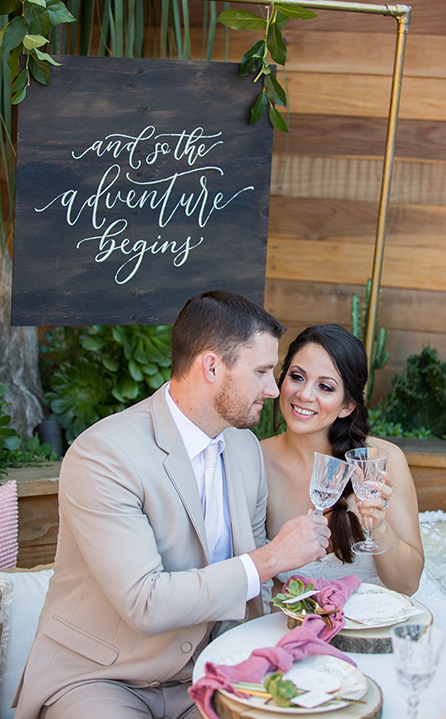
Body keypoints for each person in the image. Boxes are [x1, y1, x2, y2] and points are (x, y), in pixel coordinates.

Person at [13, 291, 330, 719]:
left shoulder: (245, 450)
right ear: (212, 366)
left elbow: (252, 577)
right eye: (261, 371)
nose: (274, 390)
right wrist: (271, 558)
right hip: (101, 677)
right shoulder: (105, 454)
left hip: (205, 672)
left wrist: (309, 610)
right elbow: (146, 601)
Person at [261, 324, 424, 597]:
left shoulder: (384, 461)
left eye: (325, 387)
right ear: (280, 379)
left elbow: (407, 585)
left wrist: (379, 527)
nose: (305, 395)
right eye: (297, 377)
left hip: (380, 618)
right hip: (295, 624)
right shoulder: (256, 461)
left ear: (347, 405)